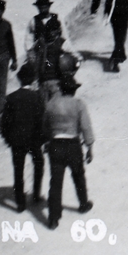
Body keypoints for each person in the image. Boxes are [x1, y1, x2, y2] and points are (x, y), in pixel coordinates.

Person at [43, 75, 94, 230]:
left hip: (55, 144)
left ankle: (53, 218)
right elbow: (86, 127)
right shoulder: (78, 104)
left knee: (55, 182)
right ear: (73, 90)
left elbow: (45, 126)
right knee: (78, 176)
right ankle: (83, 204)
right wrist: (89, 148)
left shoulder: (50, 104)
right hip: (73, 145)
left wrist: (47, 143)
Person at [0, 62, 47, 211]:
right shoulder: (37, 97)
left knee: (18, 170)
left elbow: (5, 123)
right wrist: (42, 140)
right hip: (34, 141)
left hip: (17, 141)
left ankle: (20, 203)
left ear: (20, 80)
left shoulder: (11, 98)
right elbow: (42, 121)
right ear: (33, 80)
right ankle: (36, 194)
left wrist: (9, 140)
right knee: (39, 165)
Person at [27, 0, 68, 87]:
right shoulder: (33, 21)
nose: (42, 9)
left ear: (49, 6)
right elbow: (29, 38)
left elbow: (65, 37)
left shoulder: (57, 18)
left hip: (56, 51)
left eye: (45, 6)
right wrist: (30, 52)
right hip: (40, 51)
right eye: (40, 7)